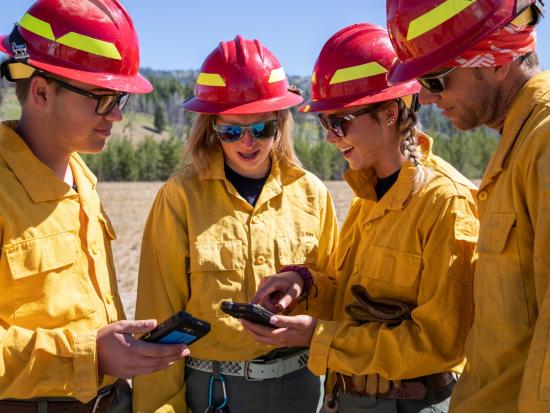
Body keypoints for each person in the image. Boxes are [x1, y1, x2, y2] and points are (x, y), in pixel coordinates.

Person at [243, 23, 479, 412]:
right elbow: (350, 298)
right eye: (324, 123)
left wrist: (318, 338)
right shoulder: (367, 198)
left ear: (389, 113)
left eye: (339, 122)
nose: (331, 137)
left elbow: (439, 342)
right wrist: (302, 284)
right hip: (346, 397)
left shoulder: (445, 203)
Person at [132, 35, 339, 413]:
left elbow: (338, 295)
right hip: (213, 393)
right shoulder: (179, 197)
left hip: (302, 388)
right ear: (212, 128)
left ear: (281, 123)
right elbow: (158, 316)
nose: (248, 142)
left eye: (261, 129)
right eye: (231, 131)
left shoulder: (313, 194)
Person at [0, 1, 188, 412]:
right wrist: (91, 355)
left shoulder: (82, 176)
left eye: (120, 99)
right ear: (42, 91)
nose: (117, 116)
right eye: (103, 99)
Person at [386, 1, 549, 411]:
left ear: (496, 61)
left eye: (435, 79)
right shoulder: (519, 144)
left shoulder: (543, 143)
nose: (422, 96)